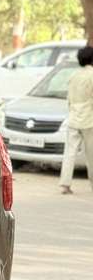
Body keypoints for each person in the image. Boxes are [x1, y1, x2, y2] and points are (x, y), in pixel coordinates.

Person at [60, 45, 93, 194]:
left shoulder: (74, 75)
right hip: (89, 119)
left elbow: (69, 99)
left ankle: (65, 184)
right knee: (91, 154)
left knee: (69, 152)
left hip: (73, 118)